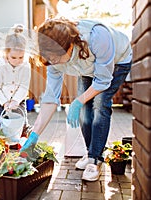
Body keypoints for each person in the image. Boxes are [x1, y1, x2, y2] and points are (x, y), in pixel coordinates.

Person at [21, 17, 132, 181]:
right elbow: (51, 98)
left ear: (70, 46)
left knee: (100, 104)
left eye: (57, 57)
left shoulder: (96, 37)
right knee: (84, 111)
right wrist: (34, 135)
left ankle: (95, 160)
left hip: (118, 61)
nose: (54, 62)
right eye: (50, 58)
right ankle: (91, 153)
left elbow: (102, 81)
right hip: (87, 68)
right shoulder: (53, 57)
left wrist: (78, 101)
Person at [0, 24, 32, 137]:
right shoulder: (0, 66)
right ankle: (3, 140)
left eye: (21, 57)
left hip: (19, 99)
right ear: (6, 53)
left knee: (22, 123)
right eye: (13, 57)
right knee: (3, 123)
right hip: (1, 100)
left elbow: (24, 86)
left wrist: (15, 100)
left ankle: (24, 136)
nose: (17, 61)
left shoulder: (26, 66)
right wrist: (5, 102)